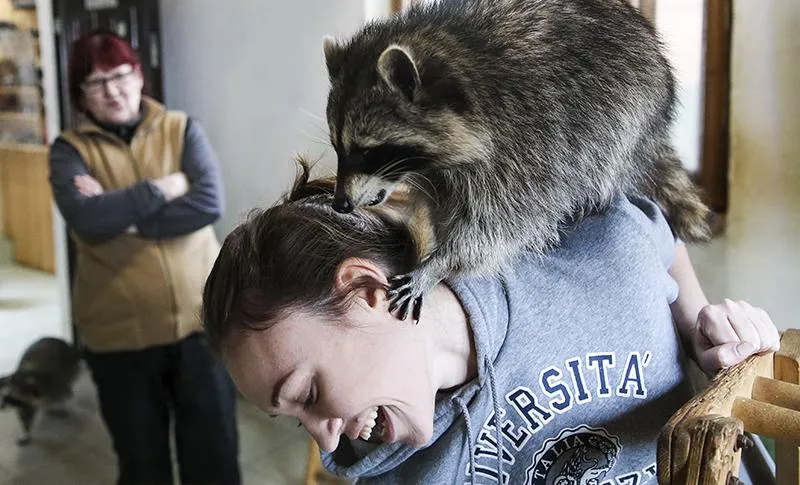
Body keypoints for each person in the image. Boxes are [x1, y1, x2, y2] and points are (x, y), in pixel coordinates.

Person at [201, 165, 780, 485]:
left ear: (369, 293)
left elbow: (652, 229)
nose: (326, 439)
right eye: (293, 419)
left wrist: (698, 326)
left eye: (308, 394)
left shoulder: (584, 252)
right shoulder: (391, 470)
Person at [48, 31, 240, 485]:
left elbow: (208, 204)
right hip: (120, 342)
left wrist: (125, 216)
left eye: (118, 75)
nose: (111, 90)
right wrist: (163, 188)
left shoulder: (182, 128)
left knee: (214, 458)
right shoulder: (70, 151)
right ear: (80, 95)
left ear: (138, 75)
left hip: (200, 326)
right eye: (95, 83)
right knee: (142, 464)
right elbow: (86, 217)